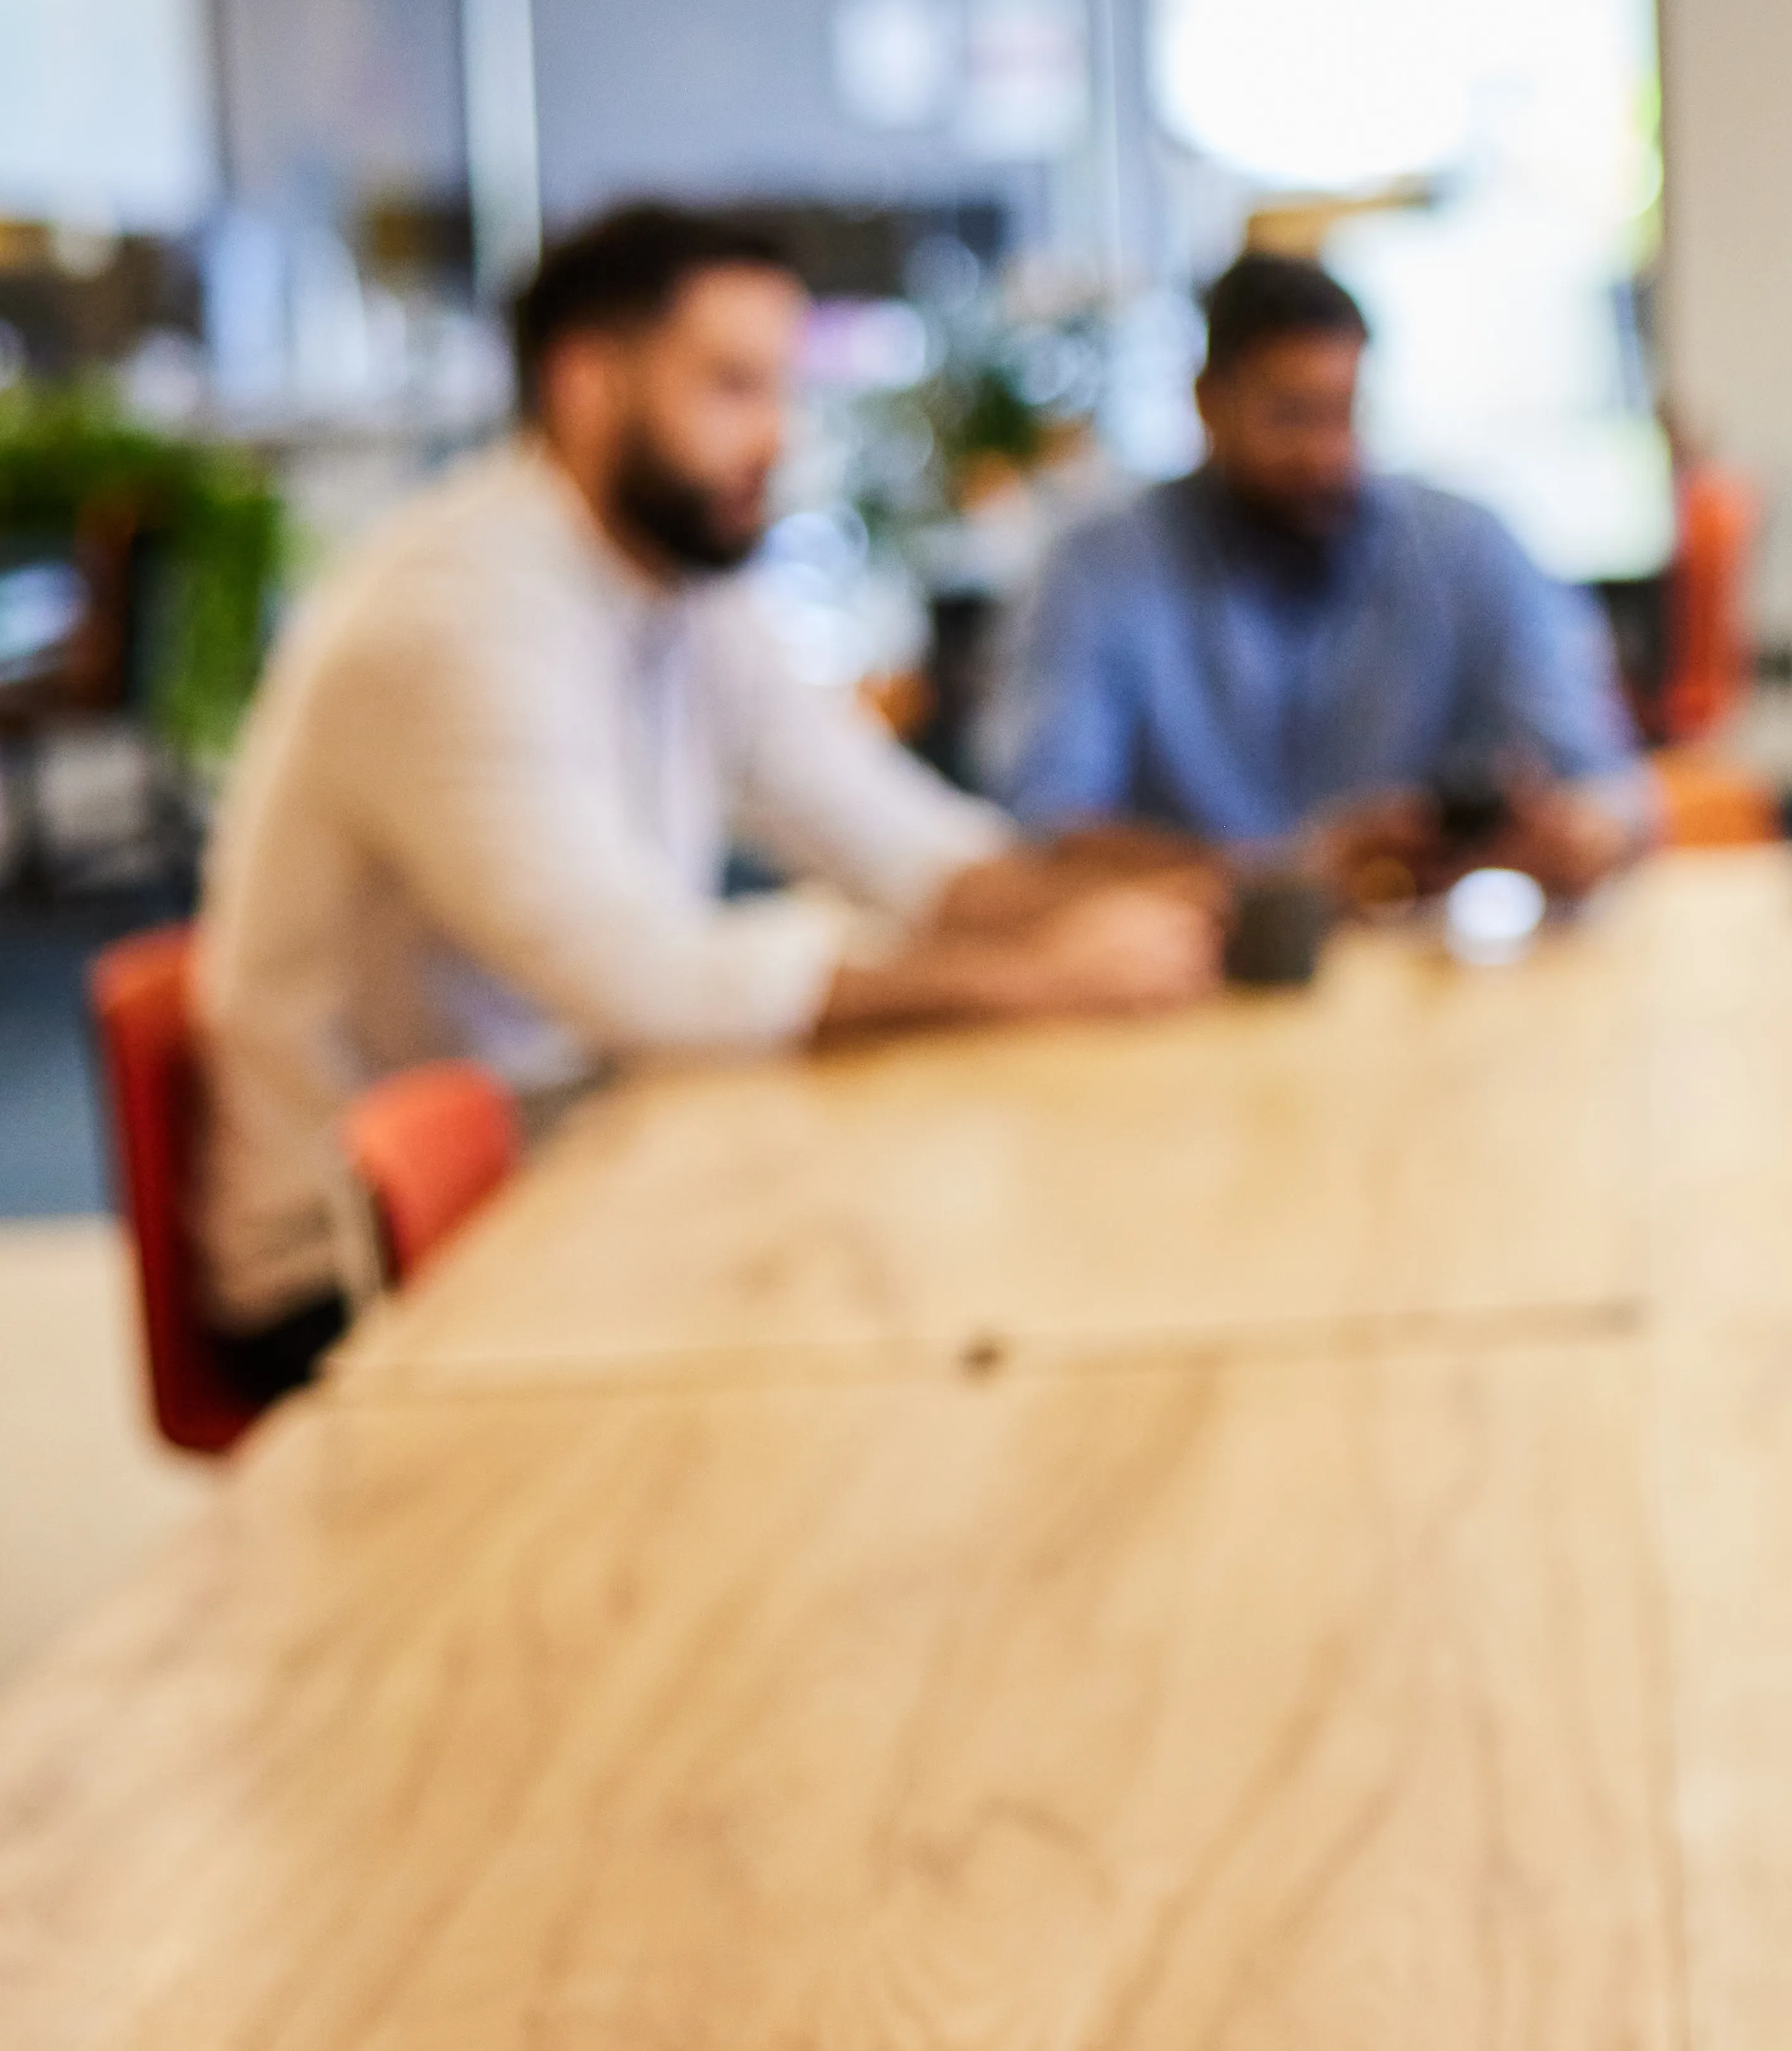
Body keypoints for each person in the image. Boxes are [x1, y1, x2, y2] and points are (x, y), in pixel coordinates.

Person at [192, 205, 1225, 1396]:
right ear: (585, 385)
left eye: (782, 389)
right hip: (366, 1263)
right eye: (731, 387)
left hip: (579, 1155)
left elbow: (894, 836)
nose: (774, 436)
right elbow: (645, 981)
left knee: (979, 1268)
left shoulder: (677, 583)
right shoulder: (453, 620)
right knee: (917, 1310)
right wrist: (1033, 978)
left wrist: (1159, 902)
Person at [994, 252, 1655, 902]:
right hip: (1190, 978)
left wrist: (1582, 836)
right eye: (1289, 416)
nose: (1326, 455)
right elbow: (1046, 837)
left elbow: (1610, 789)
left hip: (1431, 967)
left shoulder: (1464, 547)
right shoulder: (1094, 572)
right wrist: (1286, 875)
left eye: (1344, 412)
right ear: (1207, 404)